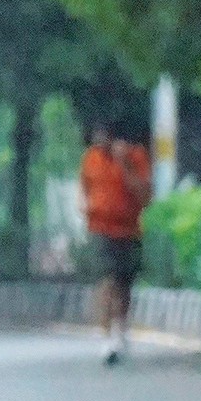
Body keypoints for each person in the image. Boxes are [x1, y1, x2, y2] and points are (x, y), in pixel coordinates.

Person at [80, 123, 152, 365]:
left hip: (129, 229)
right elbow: (84, 188)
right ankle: (106, 336)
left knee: (124, 284)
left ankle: (120, 328)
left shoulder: (136, 156)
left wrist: (125, 164)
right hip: (100, 229)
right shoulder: (91, 158)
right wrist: (85, 206)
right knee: (107, 280)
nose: (98, 140)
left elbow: (145, 196)